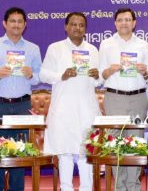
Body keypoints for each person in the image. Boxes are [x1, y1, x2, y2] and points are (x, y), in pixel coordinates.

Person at [40, 12, 101, 191]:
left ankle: (86, 188)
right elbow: (43, 74)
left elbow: (97, 82)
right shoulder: (55, 48)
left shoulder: (92, 49)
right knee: (65, 152)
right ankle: (65, 188)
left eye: (81, 25)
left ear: (85, 29)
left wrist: (97, 76)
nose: (77, 28)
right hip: (63, 108)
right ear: (66, 27)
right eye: (73, 24)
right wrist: (62, 75)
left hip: (86, 108)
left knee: (85, 152)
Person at [0, 7, 42, 190]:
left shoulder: (33, 49)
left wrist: (31, 75)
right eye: (12, 21)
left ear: (25, 24)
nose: (16, 25)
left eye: (20, 21)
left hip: (22, 105)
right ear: (5, 23)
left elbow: (39, 79)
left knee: (20, 153)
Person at [99, 8, 148, 190]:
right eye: (120, 20)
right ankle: (119, 187)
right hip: (114, 97)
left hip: (138, 97)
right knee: (116, 144)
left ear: (134, 23)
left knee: (136, 143)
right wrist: (110, 70)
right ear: (115, 23)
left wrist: (146, 72)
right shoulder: (106, 44)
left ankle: (133, 185)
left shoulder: (143, 44)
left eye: (128, 19)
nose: (124, 23)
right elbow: (99, 76)